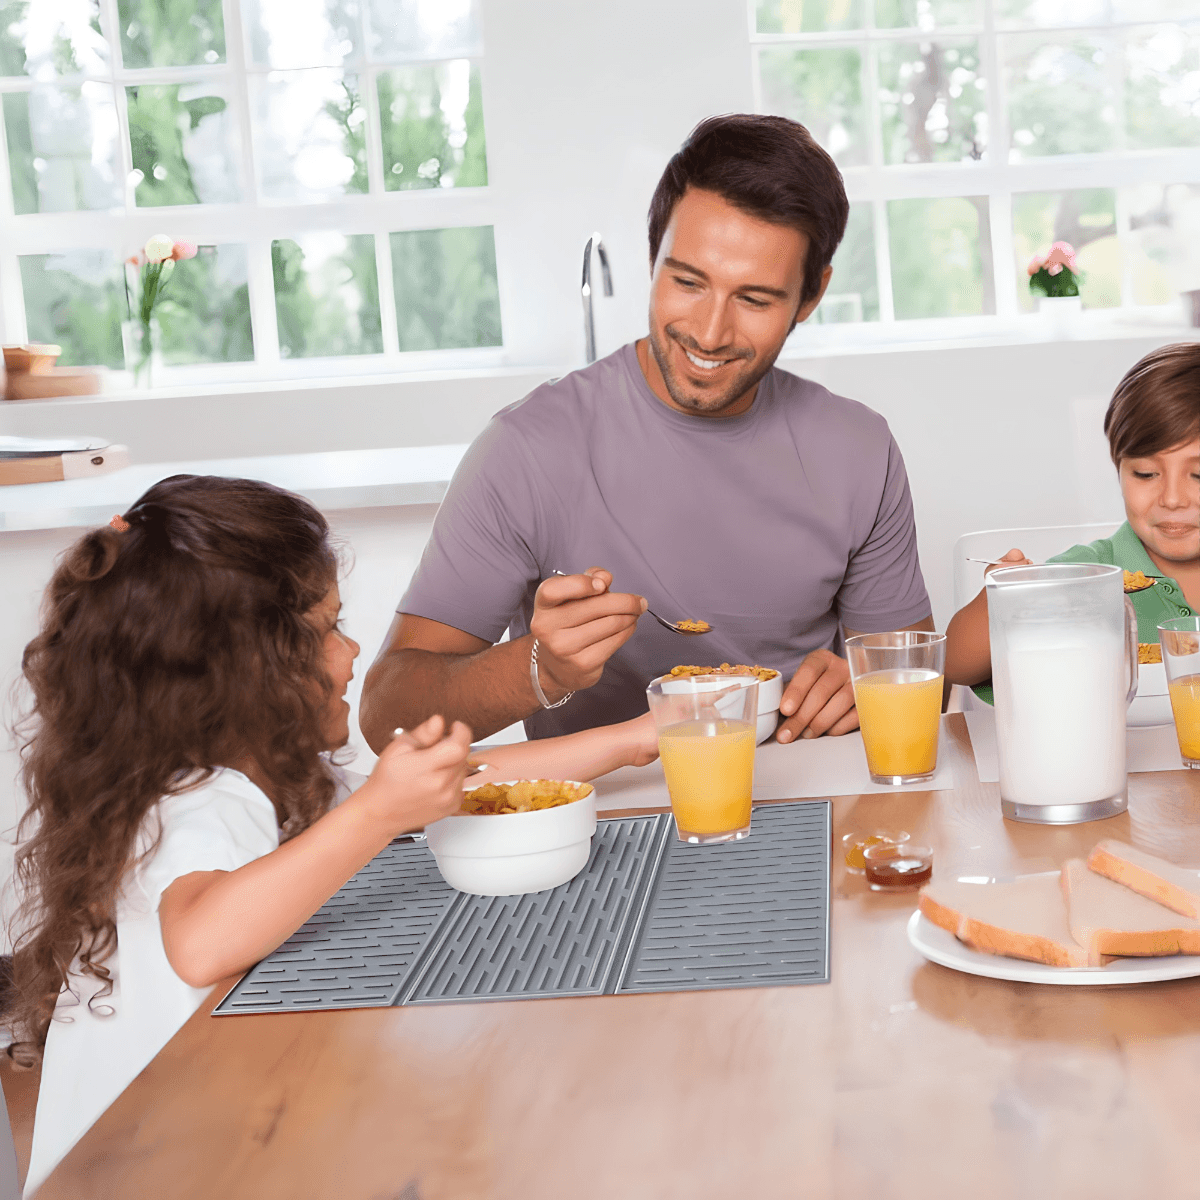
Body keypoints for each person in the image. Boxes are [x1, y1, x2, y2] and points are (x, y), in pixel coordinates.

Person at [8, 475, 656, 1197]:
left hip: (226, 1122)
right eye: (326, 632)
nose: (352, 654)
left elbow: (456, 773)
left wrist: (635, 739)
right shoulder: (194, 798)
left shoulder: (278, 769)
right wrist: (377, 812)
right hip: (149, 1163)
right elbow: (199, 942)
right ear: (239, 670)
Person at [361, 113, 934, 754]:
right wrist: (538, 670)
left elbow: (913, 673)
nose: (710, 333)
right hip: (604, 819)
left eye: (755, 299)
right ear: (653, 256)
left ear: (811, 294)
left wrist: (868, 682)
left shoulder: (858, 449)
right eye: (687, 282)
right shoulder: (527, 451)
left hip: (812, 796)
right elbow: (387, 719)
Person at [945, 342, 1199, 701]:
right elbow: (956, 665)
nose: (1173, 498)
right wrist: (1002, 601)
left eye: (1198, 475)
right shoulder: (1086, 578)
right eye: (1145, 474)